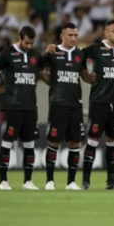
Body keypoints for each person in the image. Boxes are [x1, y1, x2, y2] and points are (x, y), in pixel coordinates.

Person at [0, 26, 47, 191]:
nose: (29, 46)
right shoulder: (6, 54)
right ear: (19, 38)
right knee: (7, 143)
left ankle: (28, 181)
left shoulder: (36, 56)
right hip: (12, 106)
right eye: (27, 43)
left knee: (30, 145)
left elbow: (44, 75)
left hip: (30, 107)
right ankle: (3, 181)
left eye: (32, 43)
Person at [42, 23, 93, 191]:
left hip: (75, 104)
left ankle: (71, 182)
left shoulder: (80, 54)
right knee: (54, 142)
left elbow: (83, 75)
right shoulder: (53, 52)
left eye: (76, 35)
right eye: (70, 35)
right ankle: (49, 180)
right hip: (58, 103)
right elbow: (39, 69)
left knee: (74, 143)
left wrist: (90, 77)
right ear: (62, 36)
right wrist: (52, 83)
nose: (74, 38)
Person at [82, 20, 114, 190]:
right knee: (93, 140)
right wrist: (85, 75)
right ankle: (86, 180)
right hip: (99, 102)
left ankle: (111, 181)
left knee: (113, 141)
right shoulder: (95, 49)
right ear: (106, 32)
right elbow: (77, 57)